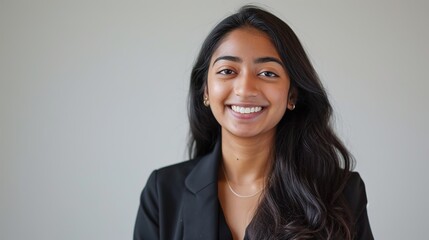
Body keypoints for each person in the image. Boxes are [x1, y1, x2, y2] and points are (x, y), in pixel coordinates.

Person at [134, 5, 374, 240]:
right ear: (205, 90)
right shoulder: (162, 193)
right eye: (228, 71)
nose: (245, 89)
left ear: (292, 94)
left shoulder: (342, 193)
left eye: (267, 73)